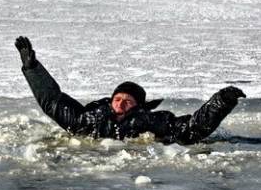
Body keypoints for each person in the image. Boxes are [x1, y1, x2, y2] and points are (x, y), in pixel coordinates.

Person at [15, 36, 246, 145]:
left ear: (138, 106)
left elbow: (191, 130)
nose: (121, 104)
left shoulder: (153, 122)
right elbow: (52, 101)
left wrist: (221, 101)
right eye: (117, 99)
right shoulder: (88, 119)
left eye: (128, 101)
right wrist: (32, 67)